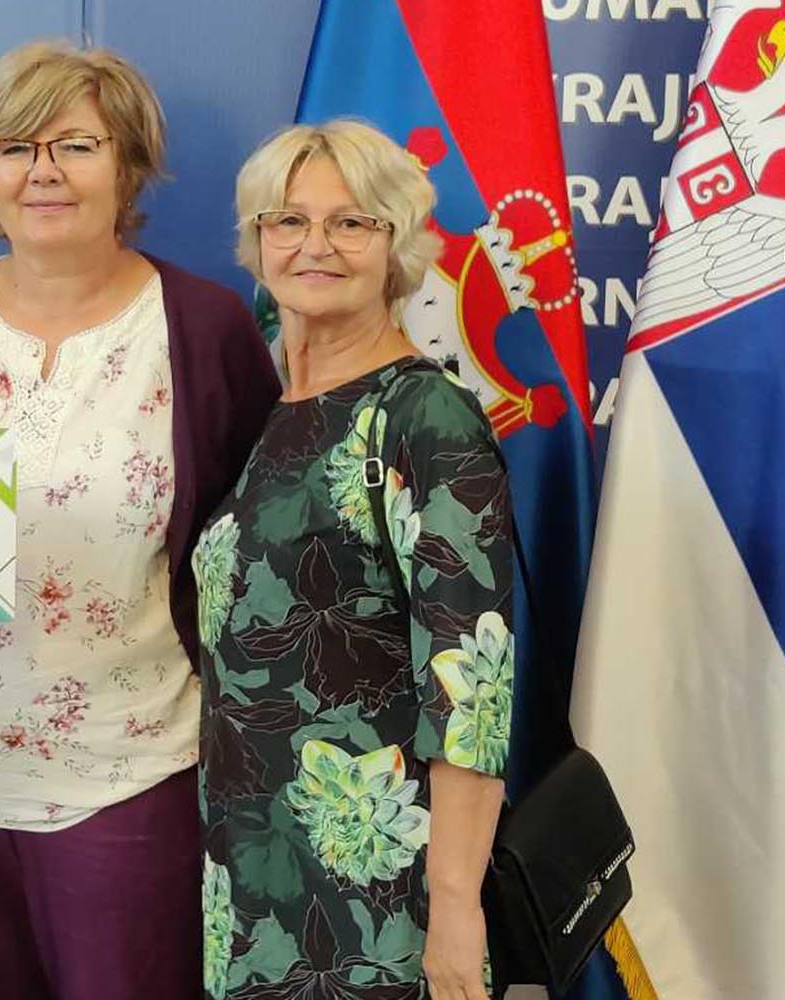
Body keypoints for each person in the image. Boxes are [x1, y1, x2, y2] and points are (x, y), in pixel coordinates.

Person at [0, 40, 280, 999]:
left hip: (132, 776)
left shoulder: (203, 327)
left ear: (128, 165)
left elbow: (250, 566)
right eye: (15, 147)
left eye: (76, 146)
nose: (42, 171)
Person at [194, 119, 514, 1000]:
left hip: (381, 893)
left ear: (396, 244)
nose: (316, 245)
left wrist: (456, 905)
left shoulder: (424, 417)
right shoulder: (278, 412)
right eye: (289, 221)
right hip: (253, 879)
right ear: (258, 240)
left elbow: (473, 691)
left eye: (351, 223)